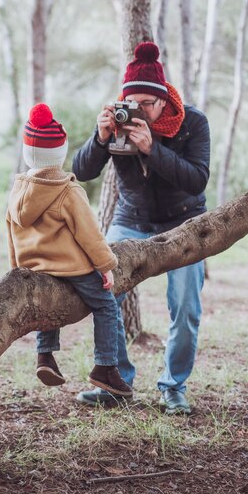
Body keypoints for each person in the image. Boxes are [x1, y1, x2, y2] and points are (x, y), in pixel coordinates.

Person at [72, 42, 210, 414]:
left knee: (184, 306)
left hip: (184, 223)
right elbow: (81, 172)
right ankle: (116, 383)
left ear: (164, 102)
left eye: (147, 104)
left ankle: (173, 386)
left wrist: (153, 149)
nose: (139, 111)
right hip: (130, 220)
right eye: (131, 103)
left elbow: (197, 180)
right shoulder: (117, 123)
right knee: (104, 293)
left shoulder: (193, 122)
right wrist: (100, 138)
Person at [6, 103, 132, 398]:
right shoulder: (67, 190)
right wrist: (106, 266)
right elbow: (89, 235)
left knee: (46, 308)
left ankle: (45, 355)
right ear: (60, 153)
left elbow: (10, 233)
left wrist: (17, 271)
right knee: (106, 306)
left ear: (28, 153)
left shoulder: (18, 189)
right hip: (70, 268)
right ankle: (105, 367)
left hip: (34, 268)